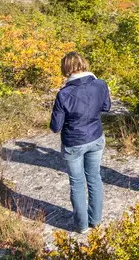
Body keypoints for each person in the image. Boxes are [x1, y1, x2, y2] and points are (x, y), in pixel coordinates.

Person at [50, 52, 111, 233]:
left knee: (77, 182)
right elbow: (106, 107)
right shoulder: (100, 84)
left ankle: (82, 225)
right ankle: (96, 220)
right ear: (83, 64)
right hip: (96, 137)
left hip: (74, 142)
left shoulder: (64, 94)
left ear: (66, 69)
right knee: (94, 178)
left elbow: (55, 126)